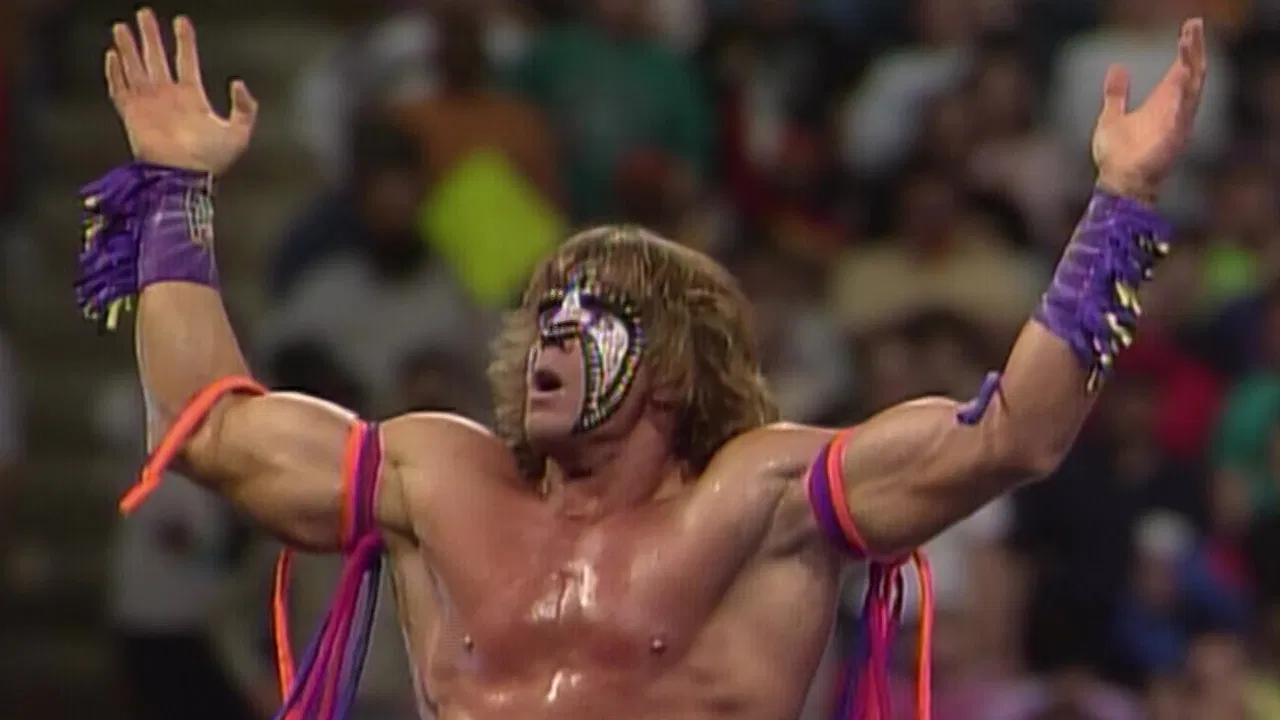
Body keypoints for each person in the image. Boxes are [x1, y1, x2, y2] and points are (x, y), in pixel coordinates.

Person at [76, 8, 1206, 719]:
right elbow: (206, 428)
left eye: (598, 312)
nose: (555, 332)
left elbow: (1012, 436)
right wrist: (172, 188)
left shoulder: (761, 501)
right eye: (546, 311)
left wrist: (1120, 201)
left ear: (672, 372)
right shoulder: (436, 477)